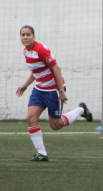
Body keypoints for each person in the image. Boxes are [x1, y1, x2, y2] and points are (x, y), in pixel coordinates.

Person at [16, 25, 93, 162]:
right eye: (23, 35)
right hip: (39, 90)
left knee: (55, 125)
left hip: (53, 91)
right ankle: (42, 154)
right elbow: (36, 71)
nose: (26, 37)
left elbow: (56, 68)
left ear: (34, 36)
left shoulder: (41, 50)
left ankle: (80, 110)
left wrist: (61, 91)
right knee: (31, 117)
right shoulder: (26, 52)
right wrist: (25, 85)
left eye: (28, 34)